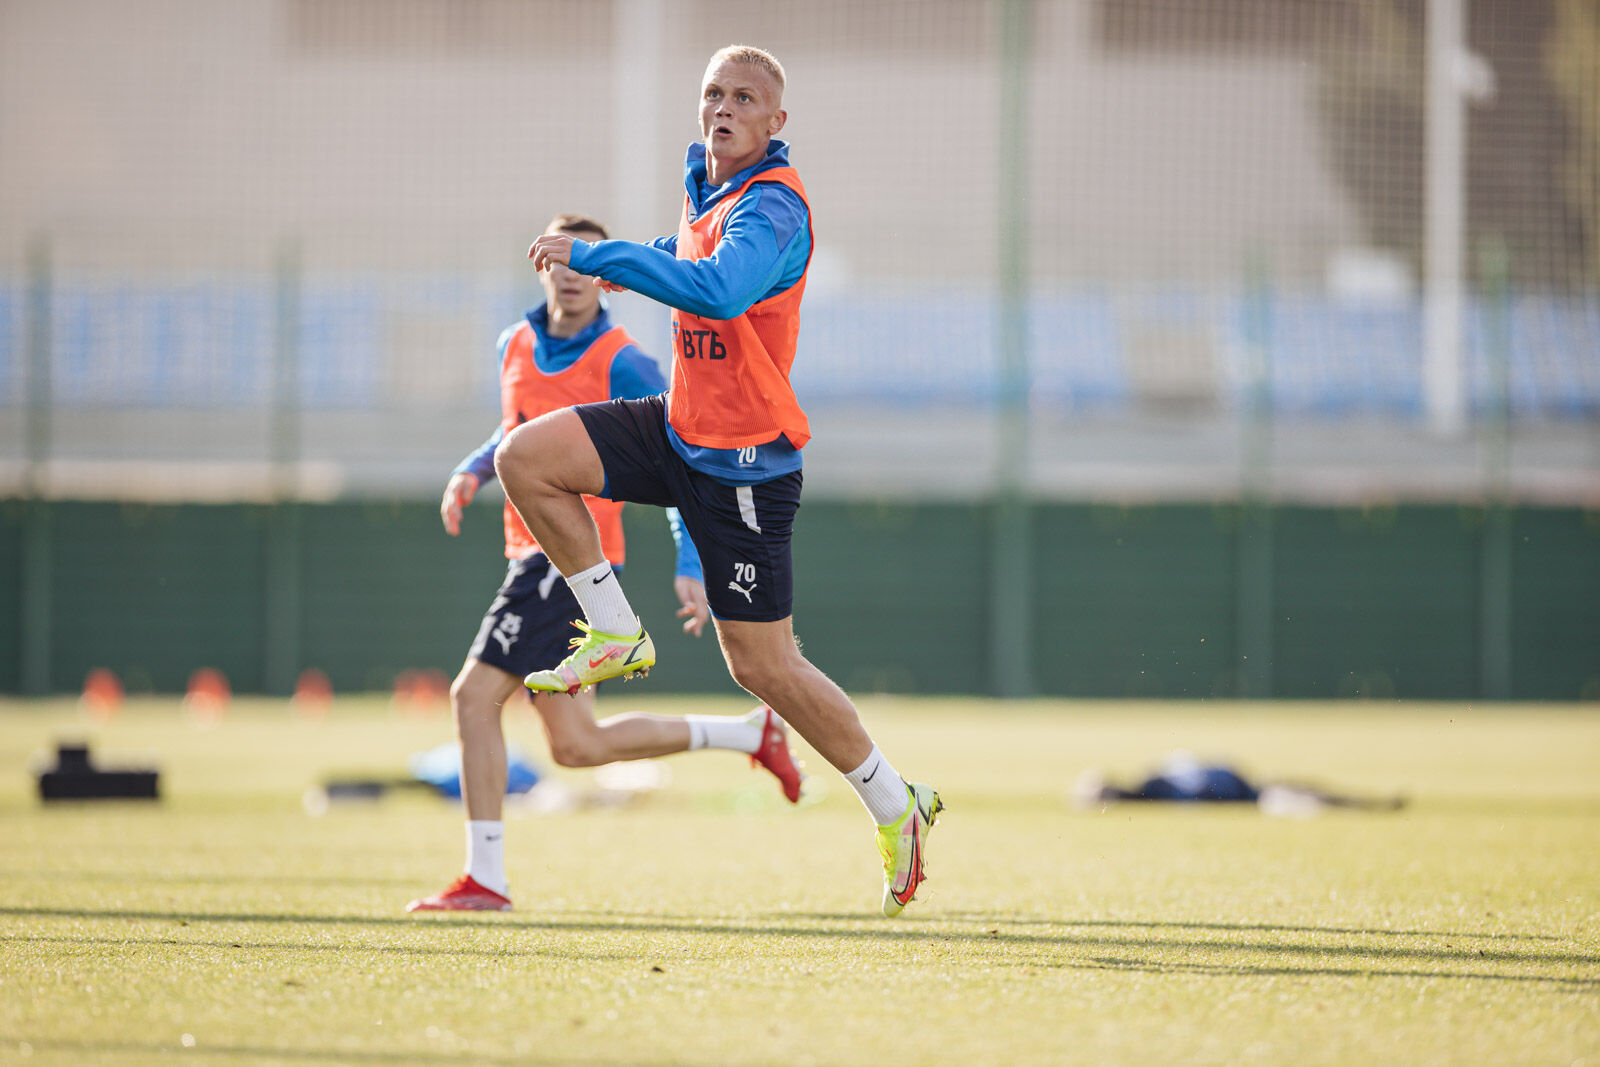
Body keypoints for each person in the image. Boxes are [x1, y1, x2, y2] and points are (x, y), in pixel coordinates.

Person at [498, 47, 943, 918]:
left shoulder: (775, 208)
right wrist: (625, 256)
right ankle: (616, 630)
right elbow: (686, 250)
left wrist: (605, 254)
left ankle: (896, 801)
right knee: (528, 459)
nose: (723, 108)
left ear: (777, 123)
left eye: (745, 97)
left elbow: (715, 288)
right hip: (681, 429)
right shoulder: (707, 182)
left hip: (746, 465)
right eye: (713, 93)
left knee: (765, 667)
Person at [406, 213, 804, 914]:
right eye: (560, 259)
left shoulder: (625, 361)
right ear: (542, 267)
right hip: (528, 554)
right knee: (576, 744)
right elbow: (511, 431)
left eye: (586, 263)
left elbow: (685, 449)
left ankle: (485, 879)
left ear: (606, 280)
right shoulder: (515, 344)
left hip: (566, 563)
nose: (572, 273)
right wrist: (472, 470)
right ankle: (748, 732)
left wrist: (690, 555)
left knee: (473, 698)